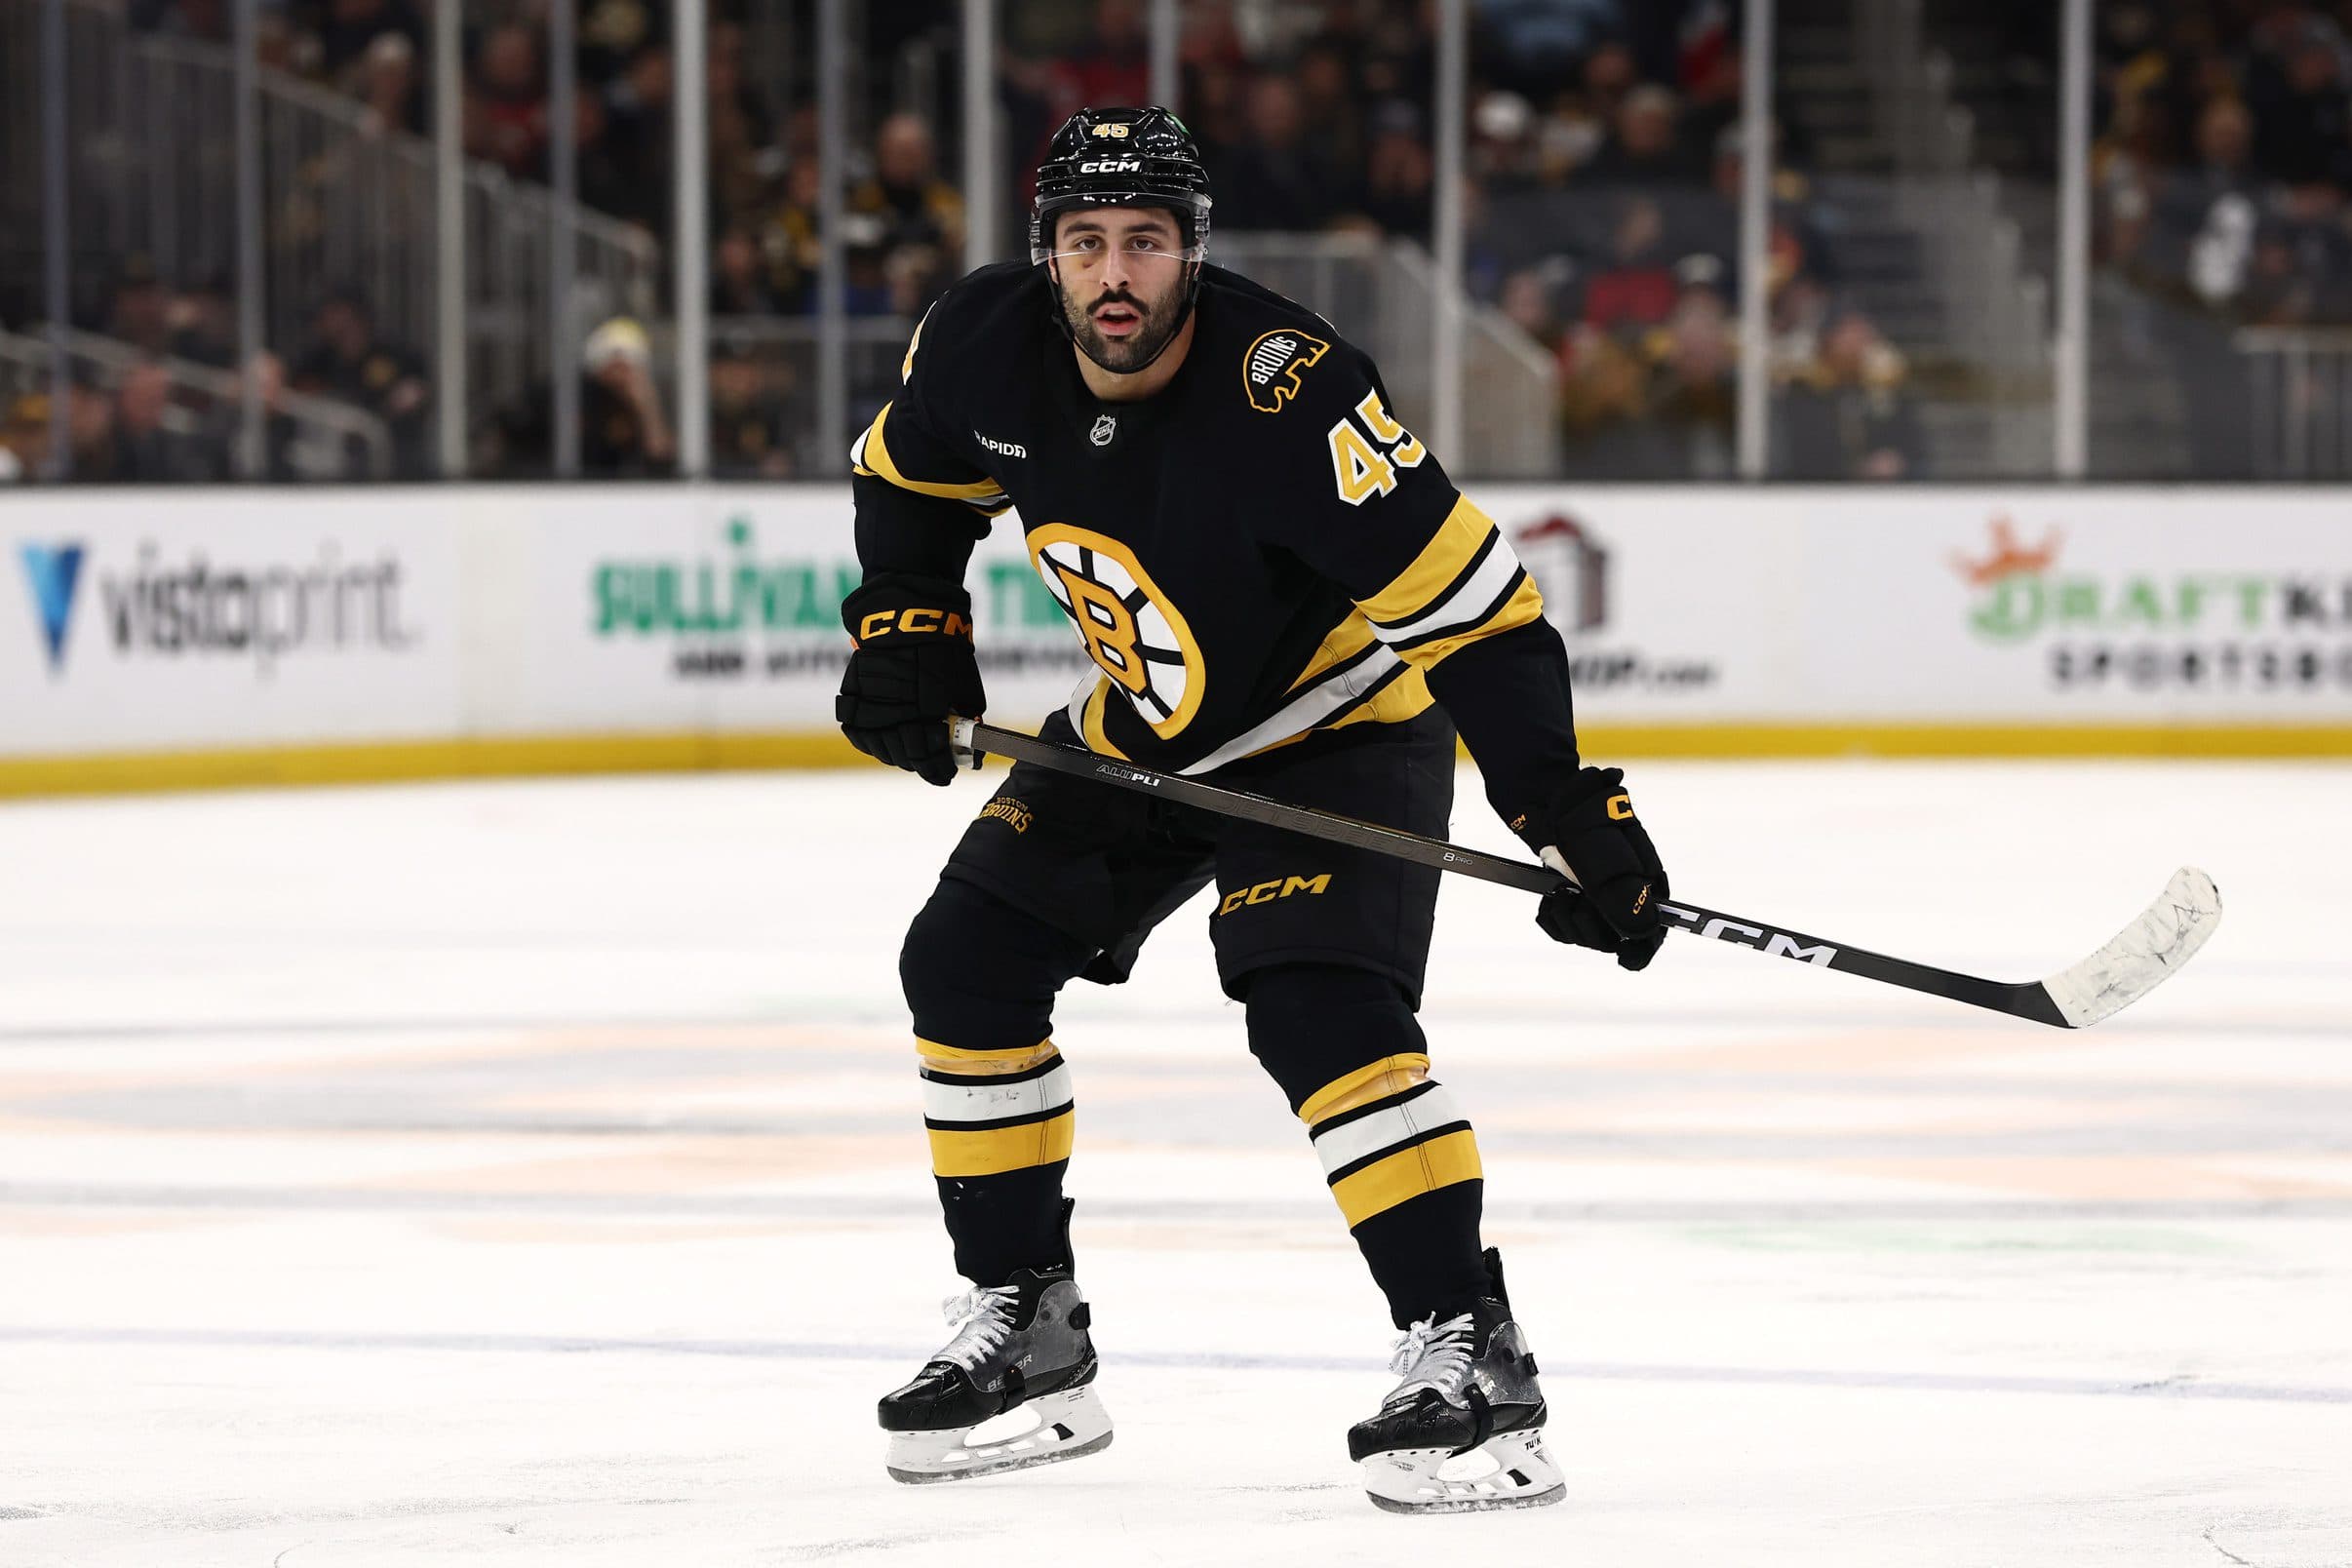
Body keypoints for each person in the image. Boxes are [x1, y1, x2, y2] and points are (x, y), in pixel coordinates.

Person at [835, 105, 1670, 1513]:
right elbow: (907, 478)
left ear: (1193, 252)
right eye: (1085, 242)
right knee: (964, 963)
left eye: (1145, 242)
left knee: (1317, 1010)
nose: (1115, 275)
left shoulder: (1290, 395)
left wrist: (1567, 811)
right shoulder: (982, 342)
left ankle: (1469, 1348)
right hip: (1142, 735)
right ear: (1046, 254)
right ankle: (1028, 1328)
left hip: (1332, 733)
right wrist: (907, 624)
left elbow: (1477, 613)